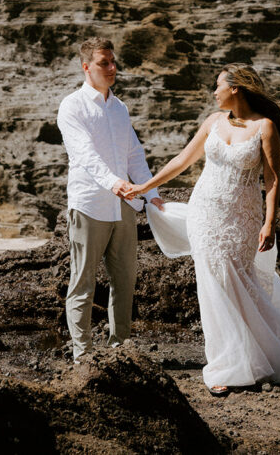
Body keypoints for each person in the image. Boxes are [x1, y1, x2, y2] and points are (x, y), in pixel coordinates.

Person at [123, 64, 280, 396]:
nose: (213, 92)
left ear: (236, 88)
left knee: (238, 285)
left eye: (218, 86)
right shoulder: (213, 122)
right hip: (205, 215)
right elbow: (182, 161)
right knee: (211, 288)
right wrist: (146, 186)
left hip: (242, 220)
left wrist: (270, 223)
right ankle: (223, 365)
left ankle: (259, 354)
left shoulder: (265, 127)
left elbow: (272, 179)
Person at [57, 37, 165, 361]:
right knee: (83, 283)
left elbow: (134, 154)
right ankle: (83, 357)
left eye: (113, 62)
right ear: (86, 67)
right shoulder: (72, 106)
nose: (112, 68)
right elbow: (85, 156)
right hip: (89, 203)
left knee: (125, 282)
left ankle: (121, 352)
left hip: (125, 205)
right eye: (104, 63)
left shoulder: (120, 108)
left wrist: (152, 194)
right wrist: (114, 184)